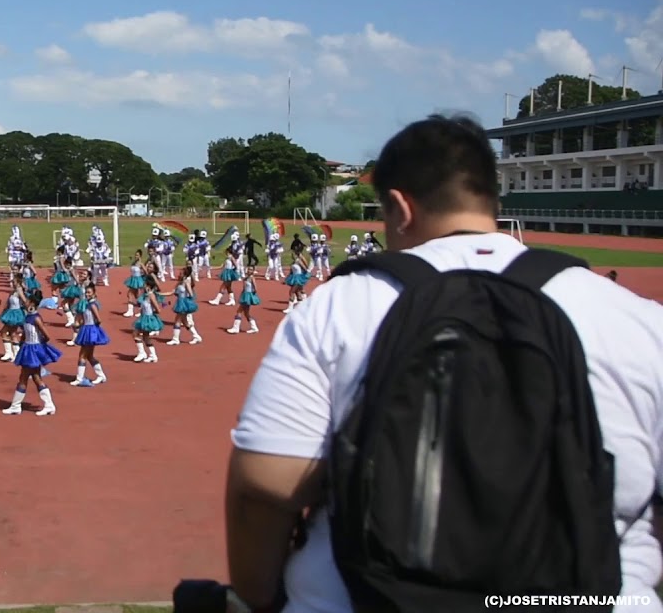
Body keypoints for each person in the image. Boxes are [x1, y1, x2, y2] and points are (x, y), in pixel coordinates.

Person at [224, 114, 663, 612]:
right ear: (493, 202)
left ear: (399, 207)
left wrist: (256, 599)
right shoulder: (636, 317)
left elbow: (265, 485)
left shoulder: (335, 305)